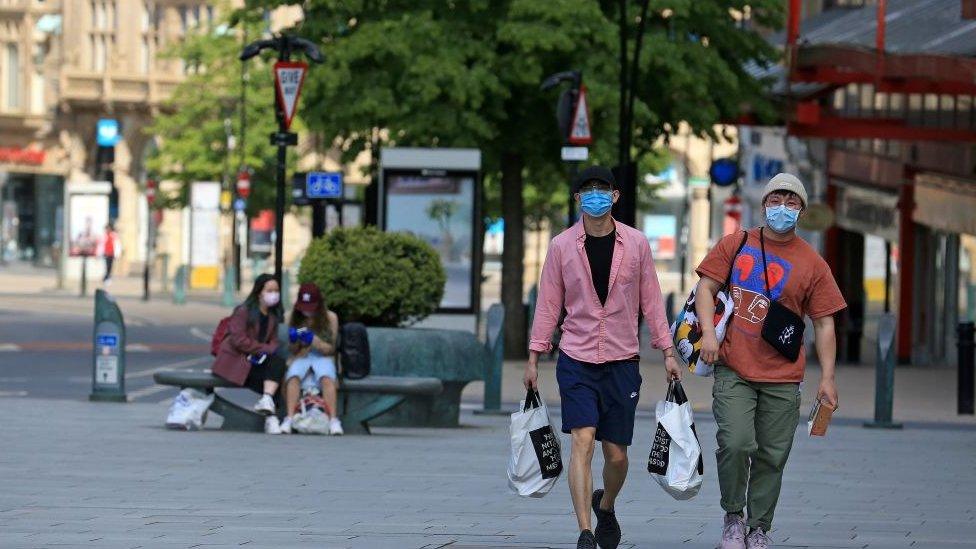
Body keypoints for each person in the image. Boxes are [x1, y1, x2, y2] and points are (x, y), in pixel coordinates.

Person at [525, 166, 681, 549]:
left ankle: (605, 505)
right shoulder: (562, 246)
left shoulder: (637, 244)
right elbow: (548, 305)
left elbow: (651, 302)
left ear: (615, 196)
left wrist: (667, 352)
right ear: (577, 198)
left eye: (602, 189)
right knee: (583, 439)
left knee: (617, 456)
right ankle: (584, 532)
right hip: (575, 357)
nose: (595, 195)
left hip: (622, 359)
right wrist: (533, 356)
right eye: (587, 190)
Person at [694, 173, 846, 549]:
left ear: (802, 211)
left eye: (791, 202)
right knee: (736, 442)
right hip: (735, 367)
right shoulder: (737, 243)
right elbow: (705, 287)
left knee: (772, 455)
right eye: (776, 200)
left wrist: (827, 378)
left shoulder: (813, 263)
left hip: (783, 375)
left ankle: (759, 527)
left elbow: (825, 324)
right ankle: (733, 516)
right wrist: (709, 335)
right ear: (763, 205)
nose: (783, 208)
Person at [212, 273, 288, 434]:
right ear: (259, 291)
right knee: (277, 382)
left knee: (278, 363)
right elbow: (239, 340)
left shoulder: (273, 316)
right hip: (238, 363)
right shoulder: (243, 311)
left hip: (258, 362)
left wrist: (270, 349)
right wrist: (266, 349)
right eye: (270, 290)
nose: (274, 294)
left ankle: (267, 403)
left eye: (276, 290)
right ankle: (271, 417)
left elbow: (274, 340)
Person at [280, 282, 343, 436]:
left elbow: (331, 348)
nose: (307, 312)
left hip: (322, 356)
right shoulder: (292, 316)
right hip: (301, 355)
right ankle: (289, 418)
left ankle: (334, 419)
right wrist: (297, 339)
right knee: (293, 377)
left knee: (327, 378)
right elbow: (292, 347)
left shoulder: (330, 318)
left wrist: (315, 340)